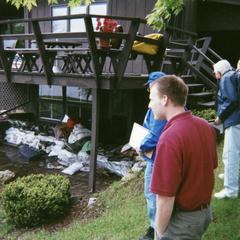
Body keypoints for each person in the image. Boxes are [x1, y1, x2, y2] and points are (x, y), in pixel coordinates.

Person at [148, 75, 217, 239]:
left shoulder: (169, 138)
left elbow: (165, 198)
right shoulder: (205, 126)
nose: (149, 105)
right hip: (203, 214)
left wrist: (159, 232)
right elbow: (210, 169)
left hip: (182, 223)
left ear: (164, 99)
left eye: (151, 98)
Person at [139, 72, 167, 240]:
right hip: (157, 156)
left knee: (152, 193)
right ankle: (156, 227)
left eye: (150, 85)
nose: (148, 89)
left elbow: (155, 134)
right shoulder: (159, 104)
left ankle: (155, 230)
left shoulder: (159, 107)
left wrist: (140, 146)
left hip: (156, 158)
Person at [213, 59, 240, 199]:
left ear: (219, 71)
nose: (214, 75)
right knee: (233, 153)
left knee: (230, 155)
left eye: (215, 72)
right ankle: (231, 175)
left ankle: (231, 190)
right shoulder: (233, 75)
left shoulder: (226, 77)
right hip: (237, 119)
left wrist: (220, 117)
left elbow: (231, 100)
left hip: (234, 120)